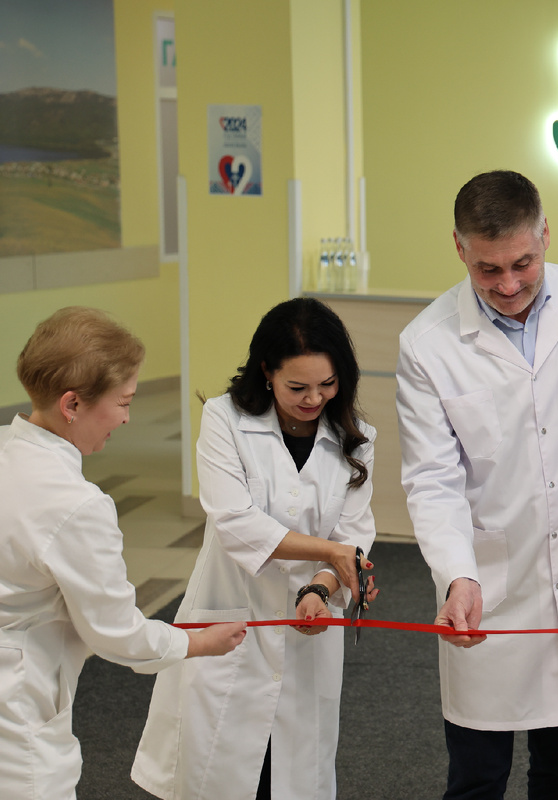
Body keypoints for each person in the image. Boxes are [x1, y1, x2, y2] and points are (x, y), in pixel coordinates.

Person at [0, 307, 247, 800]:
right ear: (71, 404)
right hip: (2, 719)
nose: (127, 418)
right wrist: (197, 643)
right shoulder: (75, 504)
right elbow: (117, 634)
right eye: (123, 402)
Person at [397, 169, 558, 799]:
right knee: (478, 775)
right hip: (488, 585)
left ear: (545, 235)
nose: (509, 285)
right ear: (459, 249)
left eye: (523, 264)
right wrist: (457, 575)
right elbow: (433, 480)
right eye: (488, 270)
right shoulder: (427, 344)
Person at [132, 298, 379, 800]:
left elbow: (351, 534)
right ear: (266, 372)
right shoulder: (224, 419)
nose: (314, 398)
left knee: (293, 775)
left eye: (328, 384)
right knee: (220, 771)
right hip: (231, 618)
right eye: (297, 387)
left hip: (307, 628)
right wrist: (332, 556)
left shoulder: (356, 437)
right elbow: (235, 522)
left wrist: (320, 587)